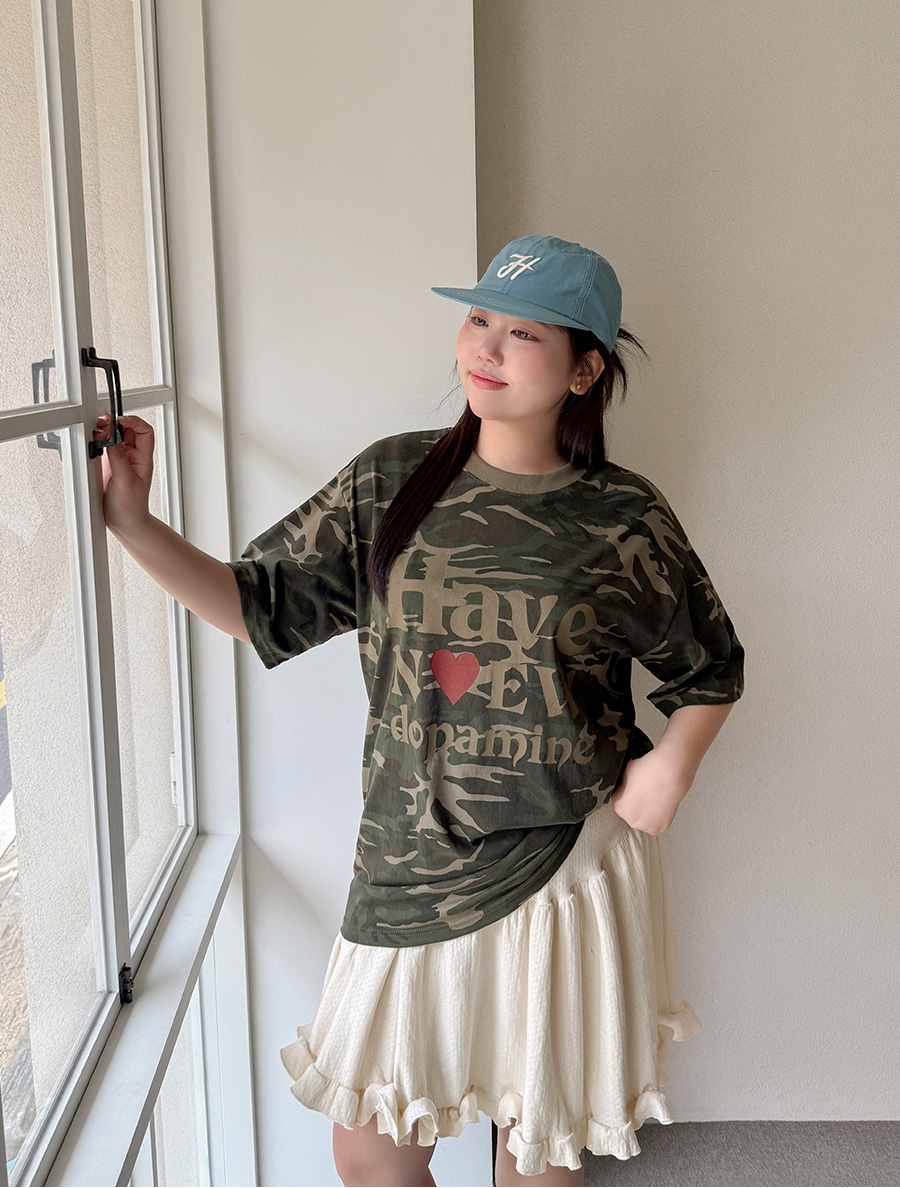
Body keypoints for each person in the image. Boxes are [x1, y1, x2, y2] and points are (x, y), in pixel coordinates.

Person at [94, 233, 744, 1188]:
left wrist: (671, 766)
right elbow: (258, 604)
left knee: (536, 1143)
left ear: (585, 370)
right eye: (478, 318)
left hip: (561, 857)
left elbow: (711, 664)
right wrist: (132, 522)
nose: (485, 347)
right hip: (406, 858)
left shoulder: (622, 516)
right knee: (370, 1151)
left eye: (523, 333)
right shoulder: (390, 480)